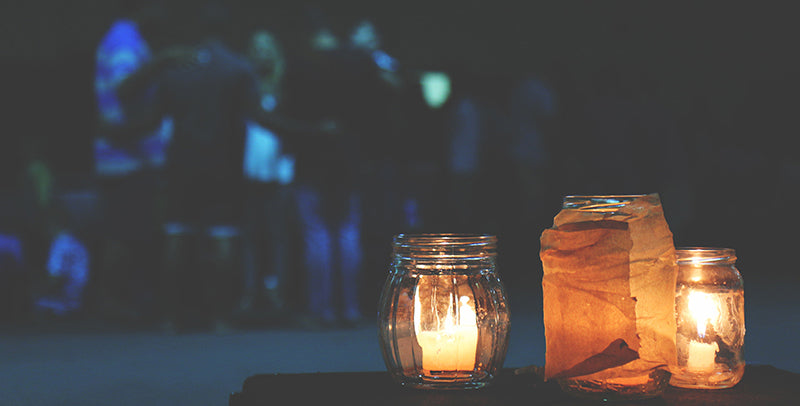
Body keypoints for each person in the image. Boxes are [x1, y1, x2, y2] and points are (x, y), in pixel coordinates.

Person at [92, 1, 180, 321]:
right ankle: (110, 301)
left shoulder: (128, 39)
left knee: (129, 230)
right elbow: (126, 87)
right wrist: (162, 62)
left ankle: (118, 300)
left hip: (127, 155)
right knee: (124, 233)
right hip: (126, 158)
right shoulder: (124, 41)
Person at [237, 29, 295, 323]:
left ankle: (278, 293)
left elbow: (293, 127)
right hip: (249, 171)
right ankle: (249, 292)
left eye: (267, 47)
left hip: (279, 172)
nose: (261, 53)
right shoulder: (244, 86)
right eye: (255, 47)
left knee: (277, 236)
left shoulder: (285, 85)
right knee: (250, 236)